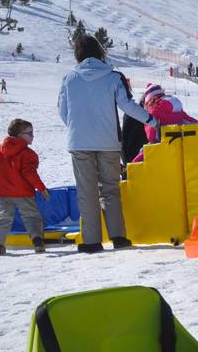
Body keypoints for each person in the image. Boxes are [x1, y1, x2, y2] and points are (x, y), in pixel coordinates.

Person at [58, 34, 155, 253]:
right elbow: (127, 106)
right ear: (100, 52)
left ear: (78, 54)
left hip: (80, 142)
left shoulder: (69, 78)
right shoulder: (112, 77)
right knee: (110, 190)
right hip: (108, 142)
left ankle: (92, 241)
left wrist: (78, 128)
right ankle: (118, 237)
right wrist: (151, 120)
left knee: (87, 191)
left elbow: (63, 112)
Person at [0, 118, 50, 256]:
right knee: (31, 216)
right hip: (23, 193)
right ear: (19, 135)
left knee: (2, 218)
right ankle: (38, 241)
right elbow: (30, 174)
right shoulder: (28, 154)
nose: (33, 136)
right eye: (30, 133)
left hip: (2, 194)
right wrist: (42, 189)